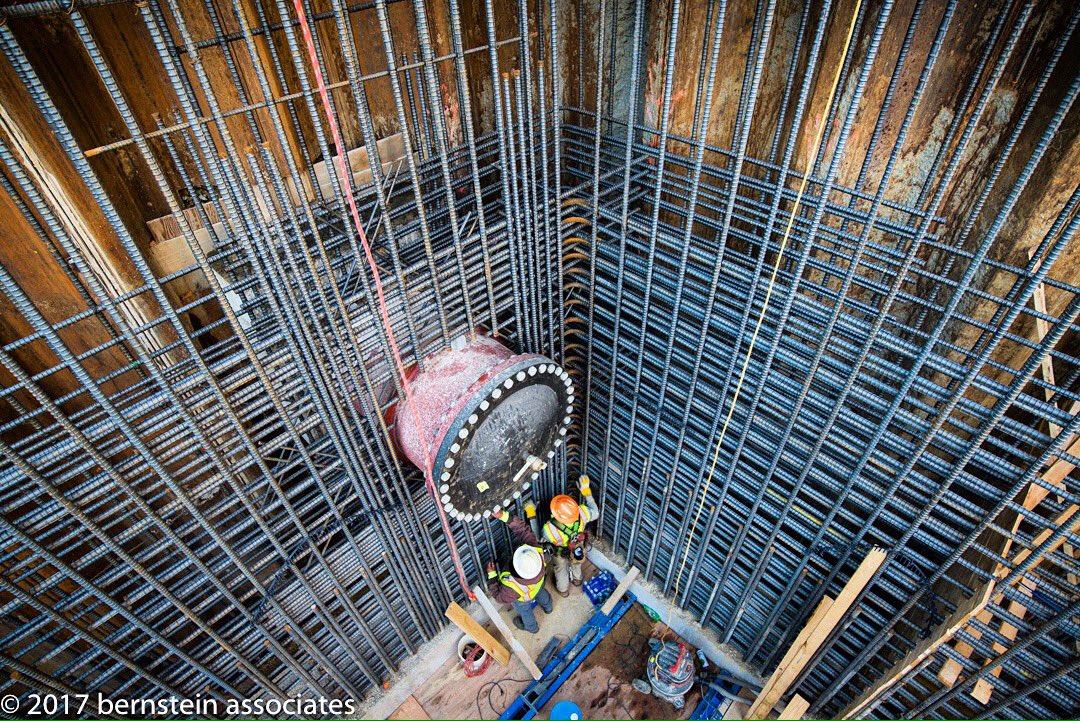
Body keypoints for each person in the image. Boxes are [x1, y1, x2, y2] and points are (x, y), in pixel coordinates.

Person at [486, 508, 553, 633]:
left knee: (526, 612)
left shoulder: (511, 588)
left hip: (524, 599)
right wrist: (504, 516)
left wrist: (492, 576)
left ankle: (532, 628)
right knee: (542, 594)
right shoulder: (536, 552)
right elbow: (524, 531)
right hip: (537, 585)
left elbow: (498, 597)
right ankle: (548, 607)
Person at [541, 474, 599, 596]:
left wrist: (531, 515)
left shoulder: (550, 529)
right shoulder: (581, 512)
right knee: (577, 562)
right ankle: (577, 580)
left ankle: (563, 591)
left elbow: (537, 538)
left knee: (561, 570)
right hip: (577, 547)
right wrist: (586, 492)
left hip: (560, 553)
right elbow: (596, 513)